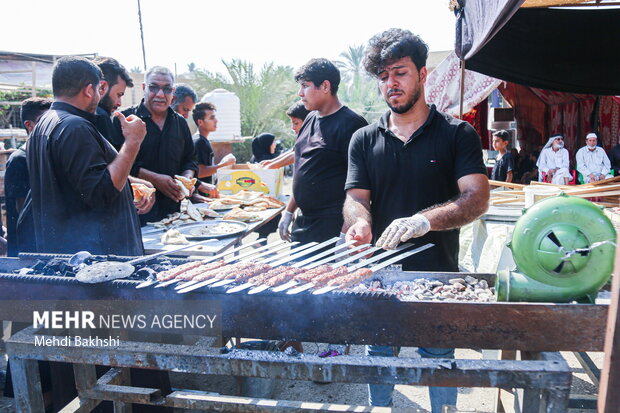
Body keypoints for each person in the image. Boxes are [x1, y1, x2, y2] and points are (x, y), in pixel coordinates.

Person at [343, 28, 489, 411]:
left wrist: (424, 221)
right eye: (383, 76)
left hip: (437, 279)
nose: (391, 83)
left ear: (422, 74)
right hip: (380, 277)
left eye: (400, 72)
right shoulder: (363, 139)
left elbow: (477, 198)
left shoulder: (458, 134)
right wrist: (358, 220)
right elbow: (356, 198)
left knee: (439, 362)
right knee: (380, 356)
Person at [27, 56, 146, 255]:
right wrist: (133, 142)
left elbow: (73, 183)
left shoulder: (42, 126)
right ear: (89, 90)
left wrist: (128, 185)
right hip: (96, 262)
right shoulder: (75, 127)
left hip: (66, 255)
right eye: (98, 90)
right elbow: (101, 192)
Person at [278, 58, 367, 244]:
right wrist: (288, 212)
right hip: (302, 224)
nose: (300, 93)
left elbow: (363, 186)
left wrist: (345, 235)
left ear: (325, 86)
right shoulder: (309, 118)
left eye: (305, 86)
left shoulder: (352, 125)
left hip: (331, 227)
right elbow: (303, 172)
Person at [115, 66, 198, 224]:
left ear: (173, 92)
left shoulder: (180, 122)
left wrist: (187, 179)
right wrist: (154, 179)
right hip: (137, 213)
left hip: (175, 215)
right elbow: (114, 163)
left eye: (166, 89)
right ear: (144, 88)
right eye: (154, 87)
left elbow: (190, 159)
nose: (160, 94)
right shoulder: (125, 120)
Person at [94, 56, 156, 214]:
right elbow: (108, 177)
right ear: (102, 87)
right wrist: (134, 140)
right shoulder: (100, 116)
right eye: (119, 94)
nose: (119, 103)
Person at [4, 98, 51, 257]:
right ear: (29, 126)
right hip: (26, 254)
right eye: (44, 122)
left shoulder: (44, 156)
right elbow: (24, 212)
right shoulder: (20, 160)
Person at [192, 102, 234, 197]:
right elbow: (200, 172)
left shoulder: (202, 140)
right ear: (200, 122)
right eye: (212, 118)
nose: (216, 121)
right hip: (202, 197)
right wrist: (224, 164)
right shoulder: (199, 142)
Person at [261, 101, 310, 170]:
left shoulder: (313, 137)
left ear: (308, 122)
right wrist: (271, 162)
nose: (293, 128)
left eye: (296, 123)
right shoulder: (303, 137)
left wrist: (272, 165)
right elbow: (293, 151)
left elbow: (296, 154)